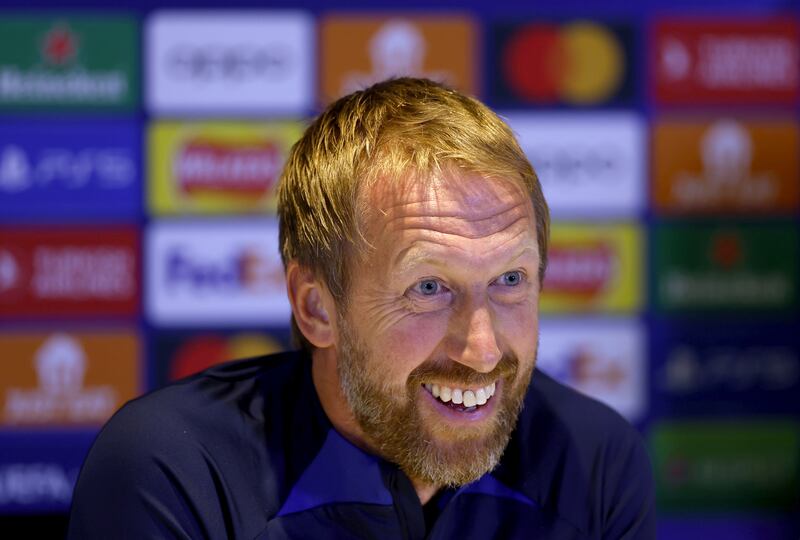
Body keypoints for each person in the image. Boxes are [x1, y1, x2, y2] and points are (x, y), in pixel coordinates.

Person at [68, 78, 655, 539]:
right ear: (316, 308)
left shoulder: (592, 461)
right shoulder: (176, 469)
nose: (482, 350)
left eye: (509, 279)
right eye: (429, 287)